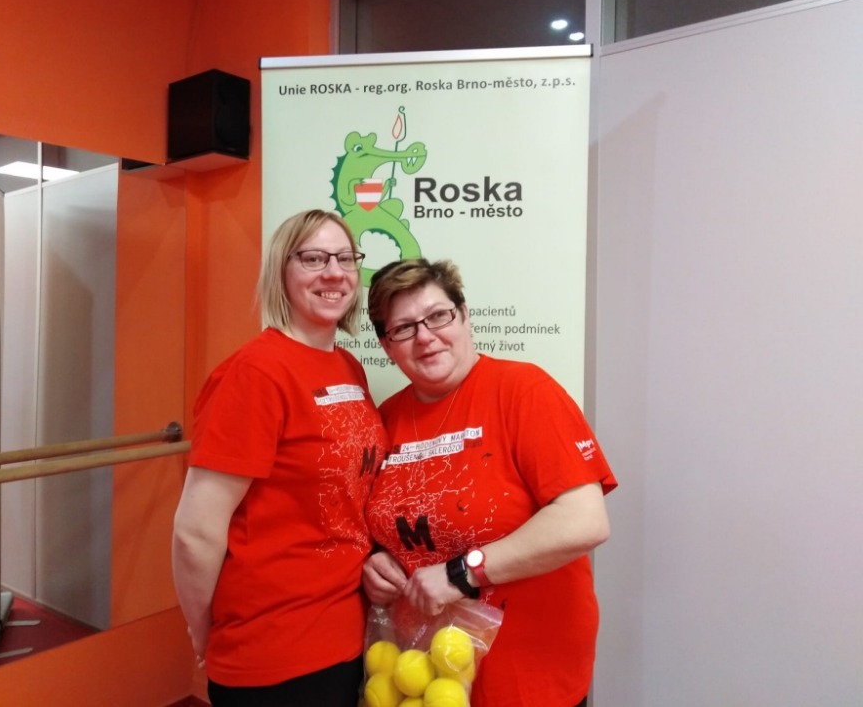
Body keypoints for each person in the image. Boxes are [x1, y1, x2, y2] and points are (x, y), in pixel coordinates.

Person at [362, 258, 618, 707]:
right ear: (386, 346)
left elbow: (584, 521)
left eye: (438, 316)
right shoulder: (386, 418)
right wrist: (375, 562)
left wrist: (461, 573)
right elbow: (388, 524)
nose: (425, 336)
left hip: (526, 675)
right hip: (420, 679)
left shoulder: (525, 391)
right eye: (403, 328)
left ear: (464, 315)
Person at [172, 209, 388, 707]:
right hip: (273, 651)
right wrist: (203, 628)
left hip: (343, 634)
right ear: (281, 271)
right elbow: (195, 532)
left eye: (345, 258)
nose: (334, 272)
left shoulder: (347, 366)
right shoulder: (254, 374)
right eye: (313, 259)